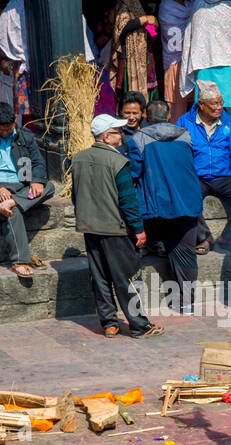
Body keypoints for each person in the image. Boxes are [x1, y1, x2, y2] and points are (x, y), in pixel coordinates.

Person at [71, 113, 160, 338]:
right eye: (117, 132)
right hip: (116, 229)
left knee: (99, 277)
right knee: (129, 278)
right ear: (106, 137)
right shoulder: (119, 161)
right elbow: (128, 201)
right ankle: (140, 325)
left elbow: (76, 195)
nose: (121, 135)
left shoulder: (78, 158)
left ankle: (109, 323)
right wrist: (139, 228)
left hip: (90, 227)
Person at [127, 98, 202, 313]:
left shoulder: (138, 139)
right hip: (188, 201)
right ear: (169, 116)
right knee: (186, 252)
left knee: (152, 246)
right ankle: (187, 303)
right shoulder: (186, 136)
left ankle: (140, 304)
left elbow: (134, 172)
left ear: (146, 118)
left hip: (158, 205)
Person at [0, 101, 53, 278]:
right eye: (0, 130)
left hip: (21, 186)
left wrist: (37, 180)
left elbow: (38, 162)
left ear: (14, 121)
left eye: (8, 129)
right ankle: (20, 260)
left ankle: (13, 201)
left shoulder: (25, 135)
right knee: (12, 211)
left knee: (49, 186)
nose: (5, 133)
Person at [176, 80, 231, 254]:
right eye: (214, 104)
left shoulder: (227, 122)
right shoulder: (184, 122)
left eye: (221, 102)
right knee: (187, 199)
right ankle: (204, 237)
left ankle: (227, 237)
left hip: (223, 176)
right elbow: (179, 152)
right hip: (197, 176)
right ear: (201, 105)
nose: (219, 107)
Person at [179, 0, 231, 128]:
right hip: (230, 64)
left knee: (205, 109)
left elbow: (189, 39)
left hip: (204, 63)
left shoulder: (198, 7)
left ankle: (204, 141)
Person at [110, 0, 157, 102]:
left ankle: (146, 115)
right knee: (131, 96)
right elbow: (121, 28)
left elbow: (154, 24)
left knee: (149, 91)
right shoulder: (124, 3)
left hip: (145, 54)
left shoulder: (144, 4)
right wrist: (143, 19)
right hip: (130, 57)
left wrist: (154, 22)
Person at [0, 0, 26, 123]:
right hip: (10, 66)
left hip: (19, 68)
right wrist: (0, 65)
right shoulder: (14, 8)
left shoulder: (14, 9)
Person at [158, 0, 192, 119]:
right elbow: (174, 41)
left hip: (194, 61)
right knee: (177, 109)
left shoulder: (190, 4)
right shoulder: (167, 6)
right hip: (175, 61)